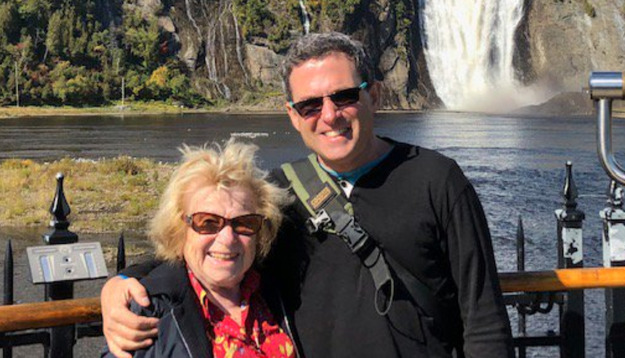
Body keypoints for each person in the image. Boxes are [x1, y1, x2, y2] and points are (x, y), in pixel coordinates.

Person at [101, 32, 513, 357]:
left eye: (345, 96)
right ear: (293, 117)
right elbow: (204, 241)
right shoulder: (280, 194)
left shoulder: (436, 180)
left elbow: (484, 317)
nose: (329, 115)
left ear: (375, 96)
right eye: (310, 105)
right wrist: (120, 282)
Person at [102, 141, 295, 358]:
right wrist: (114, 284)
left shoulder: (279, 291)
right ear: (179, 229)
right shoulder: (150, 310)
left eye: (245, 223)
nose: (228, 238)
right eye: (208, 222)